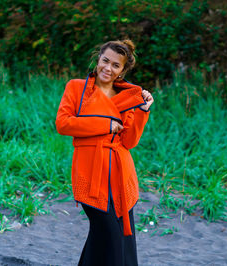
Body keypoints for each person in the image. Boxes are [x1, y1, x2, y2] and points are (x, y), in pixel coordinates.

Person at [55, 40, 154, 266]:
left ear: (123, 70)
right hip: (90, 174)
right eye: (105, 61)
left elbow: (129, 141)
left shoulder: (129, 97)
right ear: (98, 58)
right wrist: (105, 125)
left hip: (120, 175)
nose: (108, 68)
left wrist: (142, 112)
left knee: (111, 237)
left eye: (116, 65)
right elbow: (63, 124)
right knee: (109, 233)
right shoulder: (77, 88)